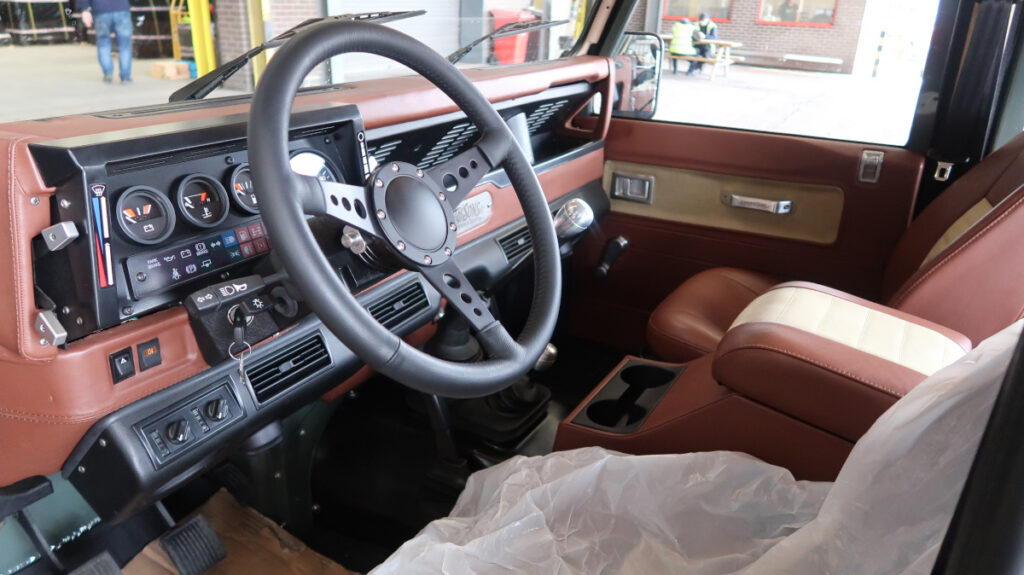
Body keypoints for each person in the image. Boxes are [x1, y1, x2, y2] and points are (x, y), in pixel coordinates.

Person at [79, 0, 133, 84]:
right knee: (125, 45)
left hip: (101, 10)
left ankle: (108, 74)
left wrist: (85, 9)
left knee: (103, 43)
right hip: (122, 9)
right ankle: (125, 76)